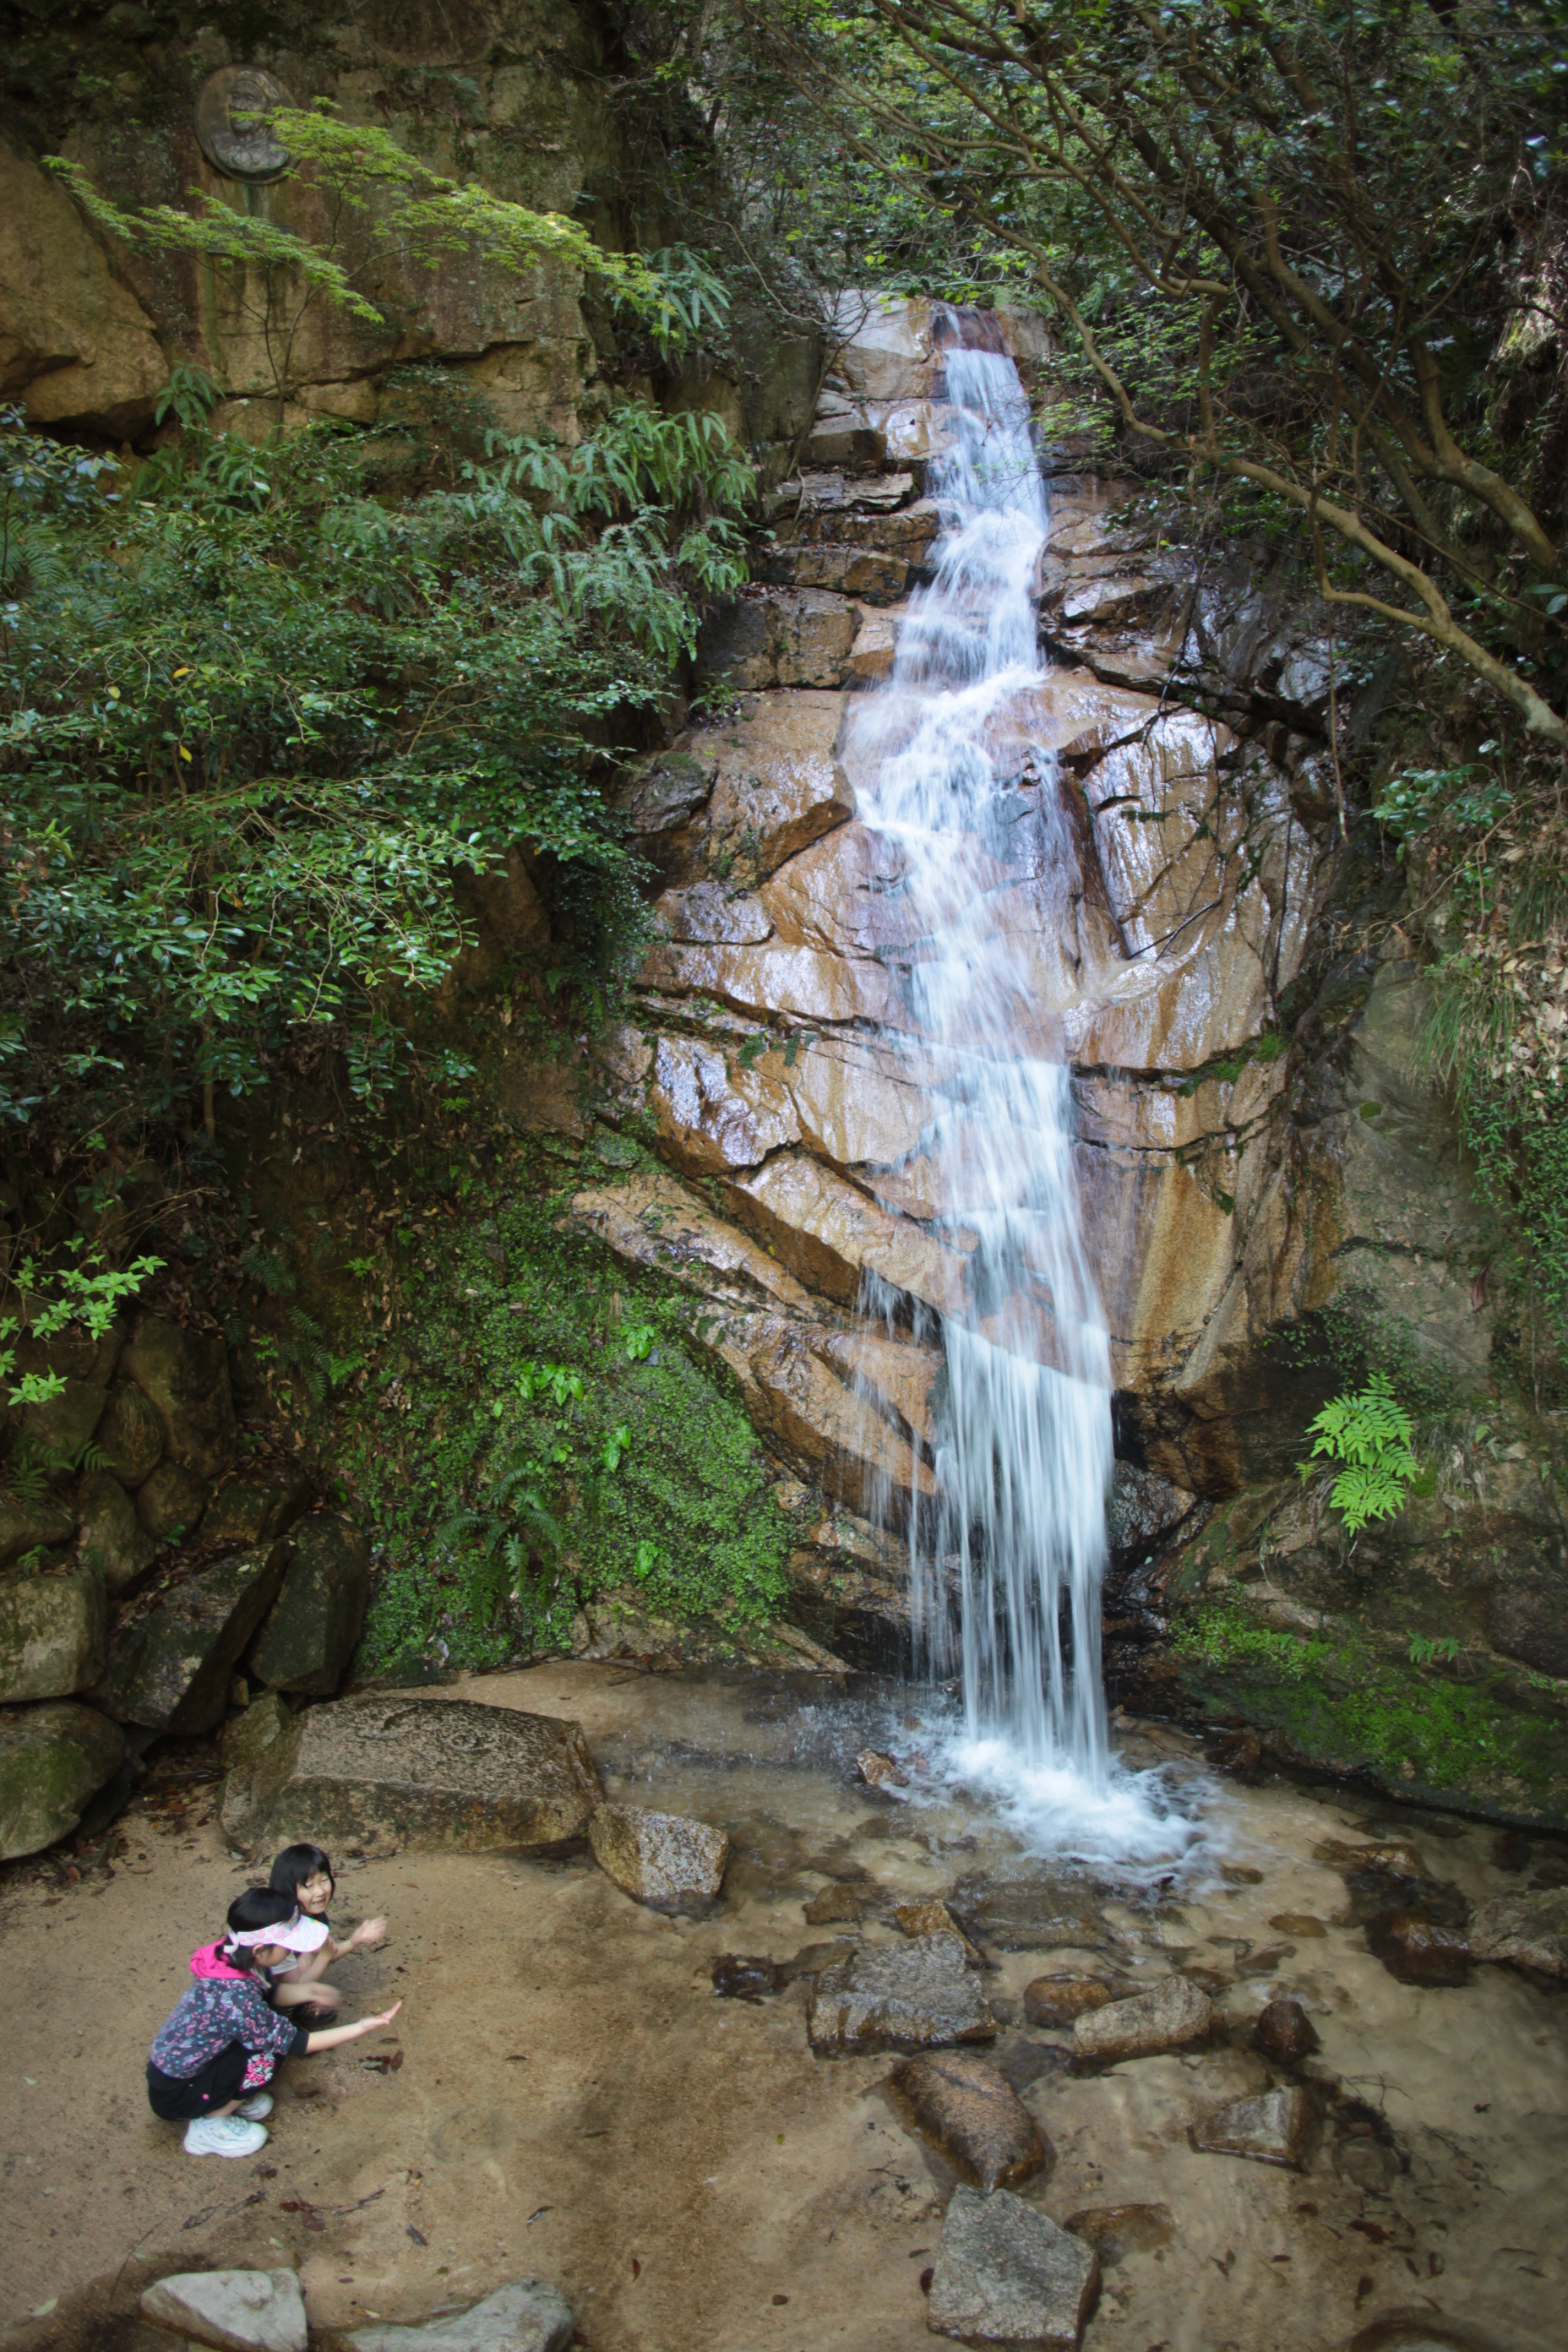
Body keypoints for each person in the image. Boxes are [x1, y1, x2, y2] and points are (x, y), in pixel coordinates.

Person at [147, 1887, 402, 2159]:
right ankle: (209, 2125)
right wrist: (361, 2027)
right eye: (288, 1945)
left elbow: (268, 1994)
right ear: (260, 1950)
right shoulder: (235, 1998)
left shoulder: (234, 1957)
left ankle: (225, 2099)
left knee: (267, 2032)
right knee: (268, 2055)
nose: (292, 1950)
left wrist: (308, 1991)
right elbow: (298, 2043)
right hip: (176, 2094)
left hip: (185, 2071)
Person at [265, 1843, 387, 2021]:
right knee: (307, 1959)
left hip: (286, 1984)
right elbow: (298, 1985)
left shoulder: (314, 1916)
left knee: (308, 1956)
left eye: (323, 1880)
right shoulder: (281, 1929)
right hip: (265, 1994)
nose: (321, 1891)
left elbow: (328, 1951)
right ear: (288, 1890)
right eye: (309, 1885)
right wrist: (322, 1957)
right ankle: (286, 2022)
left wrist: (355, 1940)